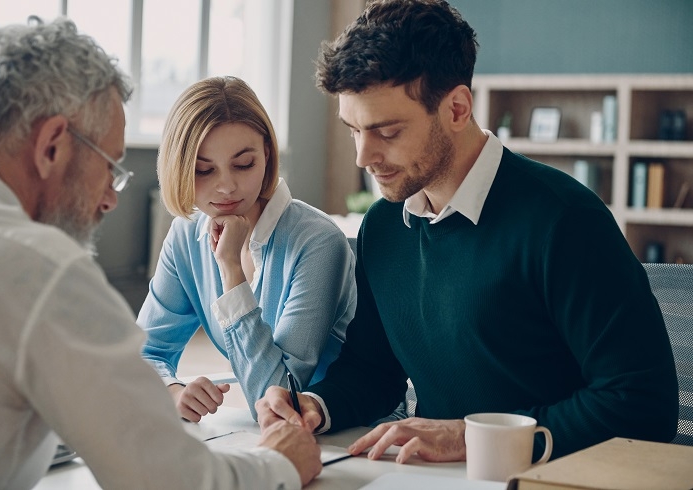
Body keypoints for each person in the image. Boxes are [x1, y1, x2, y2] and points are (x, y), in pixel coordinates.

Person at [256, 0, 679, 464]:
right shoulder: (383, 227)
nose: (363, 156)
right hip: (435, 476)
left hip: (554, 475)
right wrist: (316, 406)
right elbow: (373, 371)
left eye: (388, 132)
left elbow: (642, 405)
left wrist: (471, 437)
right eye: (354, 130)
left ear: (457, 108)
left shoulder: (566, 221)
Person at [0, 18, 321, 489]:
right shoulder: (39, 267)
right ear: (51, 146)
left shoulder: (312, 239)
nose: (110, 198)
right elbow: (170, 480)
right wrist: (282, 464)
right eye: (109, 166)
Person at [138, 76, 356, 421]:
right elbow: (144, 352)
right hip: (280, 440)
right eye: (203, 170)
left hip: (351, 431)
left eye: (243, 164)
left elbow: (277, 399)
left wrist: (231, 271)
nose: (226, 187)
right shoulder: (185, 236)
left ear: (267, 155)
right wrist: (173, 391)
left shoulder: (318, 242)